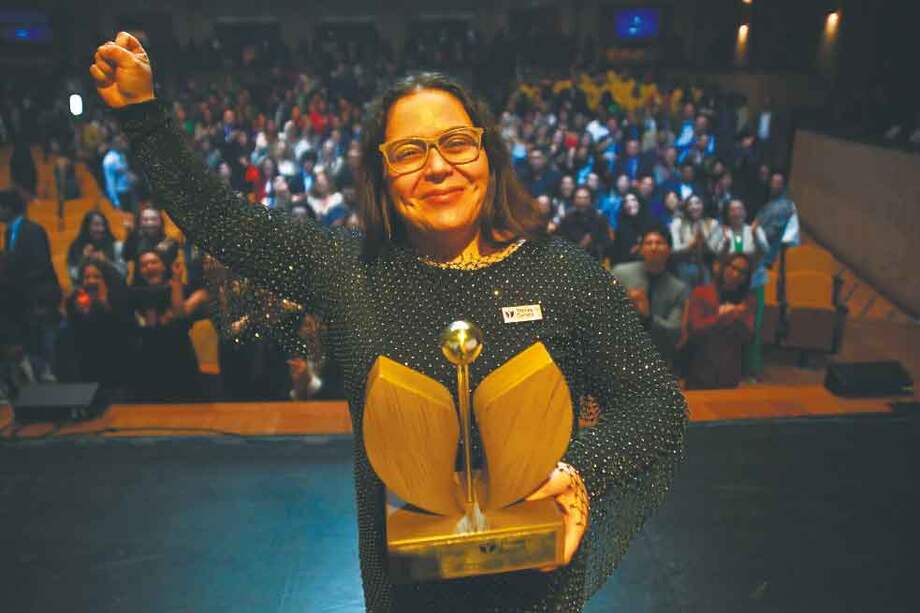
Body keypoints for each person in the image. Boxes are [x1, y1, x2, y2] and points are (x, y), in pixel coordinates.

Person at [91, 33, 685, 612]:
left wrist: (583, 470)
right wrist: (144, 115)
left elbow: (657, 404)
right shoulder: (349, 270)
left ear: (488, 155)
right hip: (406, 596)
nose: (437, 167)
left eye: (456, 142)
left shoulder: (563, 274)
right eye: (408, 152)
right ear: (380, 177)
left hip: (538, 593)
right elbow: (219, 219)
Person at [0, 189, 61, 382]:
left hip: (40, 301)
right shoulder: (10, 232)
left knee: (47, 353)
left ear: (7, 208)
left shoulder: (32, 229)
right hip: (22, 305)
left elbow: (41, 265)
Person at [612, 228, 689, 367]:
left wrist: (648, 317)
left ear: (669, 250)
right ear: (641, 249)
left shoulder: (678, 288)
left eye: (659, 243)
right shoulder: (620, 273)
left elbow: (675, 332)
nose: (653, 247)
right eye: (648, 243)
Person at [684, 253, 755, 389]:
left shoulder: (748, 300)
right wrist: (720, 318)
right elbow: (694, 330)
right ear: (723, 267)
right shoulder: (701, 293)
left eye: (742, 272)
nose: (735, 274)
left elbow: (748, 337)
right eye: (732, 268)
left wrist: (737, 318)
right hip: (700, 367)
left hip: (729, 371)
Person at [67, 211, 126, 284]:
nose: (101, 229)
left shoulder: (117, 246)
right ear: (87, 227)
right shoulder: (75, 247)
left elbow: (123, 274)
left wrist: (106, 262)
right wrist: (84, 259)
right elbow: (74, 277)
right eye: (96, 225)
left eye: (103, 225)